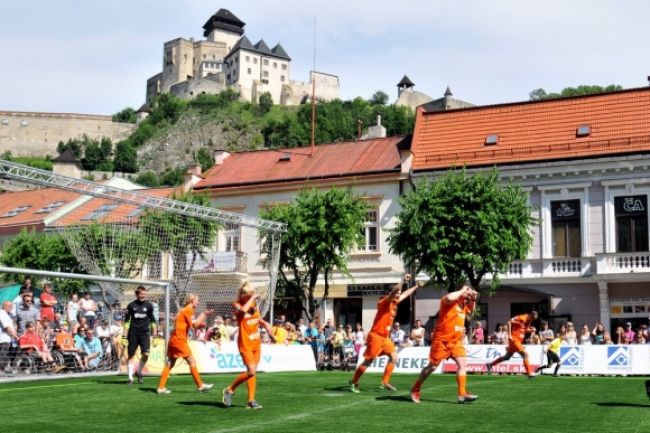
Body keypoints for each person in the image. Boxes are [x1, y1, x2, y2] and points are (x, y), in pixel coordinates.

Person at [410, 284, 479, 404]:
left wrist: (473, 299)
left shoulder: (463, 304)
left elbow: (471, 312)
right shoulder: (448, 301)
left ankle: (462, 394)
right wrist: (463, 290)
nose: (468, 294)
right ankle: (415, 388)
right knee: (432, 366)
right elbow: (449, 297)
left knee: (462, 365)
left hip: (456, 340)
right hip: (441, 340)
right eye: (467, 292)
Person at [350, 275, 420, 393]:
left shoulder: (394, 303)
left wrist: (416, 286)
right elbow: (395, 291)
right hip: (376, 336)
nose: (399, 294)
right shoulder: (384, 302)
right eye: (397, 293)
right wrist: (402, 280)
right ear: (391, 293)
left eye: (399, 293)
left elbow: (405, 294)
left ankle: (384, 382)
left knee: (394, 357)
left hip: (385, 338)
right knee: (368, 361)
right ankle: (353, 382)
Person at [222, 281, 273, 410]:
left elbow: (255, 318)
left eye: (252, 294)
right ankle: (229, 389)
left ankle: (251, 400)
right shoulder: (237, 304)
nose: (252, 296)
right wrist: (252, 299)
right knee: (251, 371)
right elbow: (243, 313)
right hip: (245, 343)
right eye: (250, 294)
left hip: (256, 343)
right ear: (243, 295)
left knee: (252, 373)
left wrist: (265, 324)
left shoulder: (253, 304)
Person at [156, 293, 213, 394]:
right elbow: (194, 325)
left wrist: (200, 319)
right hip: (179, 340)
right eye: (197, 300)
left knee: (170, 363)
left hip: (173, 339)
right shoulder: (188, 310)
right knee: (192, 362)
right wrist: (204, 314)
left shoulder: (184, 310)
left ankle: (161, 388)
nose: (198, 302)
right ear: (192, 300)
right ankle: (200, 386)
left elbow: (191, 324)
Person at [486, 310, 539, 378]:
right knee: (525, 355)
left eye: (535, 319)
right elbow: (509, 321)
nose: (533, 320)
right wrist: (509, 335)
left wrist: (531, 330)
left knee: (507, 357)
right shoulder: (522, 317)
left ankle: (490, 365)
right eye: (533, 318)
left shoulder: (528, 321)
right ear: (531, 315)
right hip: (514, 340)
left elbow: (523, 329)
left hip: (517, 341)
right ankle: (529, 373)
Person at [124, 286, 157, 385]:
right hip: (133, 333)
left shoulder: (149, 306)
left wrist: (155, 334)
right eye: (141, 294)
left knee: (146, 354)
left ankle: (139, 371)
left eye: (144, 294)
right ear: (137, 294)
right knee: (131, 356)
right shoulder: (131, 306)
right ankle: (130, 378)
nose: (143, 296)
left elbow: (153, 321)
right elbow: (126, 322)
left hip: (145, 334)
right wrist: (124, 336)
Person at [0, 301, 17, 373]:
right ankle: (1, 370)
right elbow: (7, 327)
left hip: (7, 339)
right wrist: (15, 336)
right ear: (5, 306)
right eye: (10, 306)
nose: (12, 308)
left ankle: (2, 369)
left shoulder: (6, 314)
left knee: (4, 355)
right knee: (3, 355)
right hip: (4, 339)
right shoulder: (2, 313)